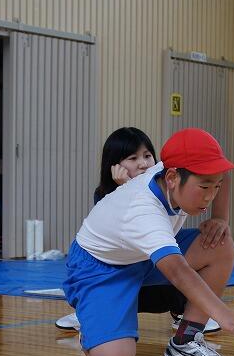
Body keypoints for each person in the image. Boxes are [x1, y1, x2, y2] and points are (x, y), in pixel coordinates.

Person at [63, 128, 234, 356]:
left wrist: (221, 218)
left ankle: (185, 341)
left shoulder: (174, 172)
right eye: (204, 187)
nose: (210, 196)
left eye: (216, 186)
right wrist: (222, 313)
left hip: (142, 256)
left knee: (219, 243)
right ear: (171, 178)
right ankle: (93, 326)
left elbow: (221, 177)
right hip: (101, 268)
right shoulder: (143, 210)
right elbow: (178, 272)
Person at [55, 127, 221, 333]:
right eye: (133, 158)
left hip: (149, 266)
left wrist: (220, 218)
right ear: (114, 165)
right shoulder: (113, 198)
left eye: (147, 155)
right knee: (168, 267)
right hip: (116, 271)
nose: (143, 163)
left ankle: (185, 316)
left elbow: (217, 174)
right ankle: (93, 311)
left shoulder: (169, 177)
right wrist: (124, 186)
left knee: (192, 252)